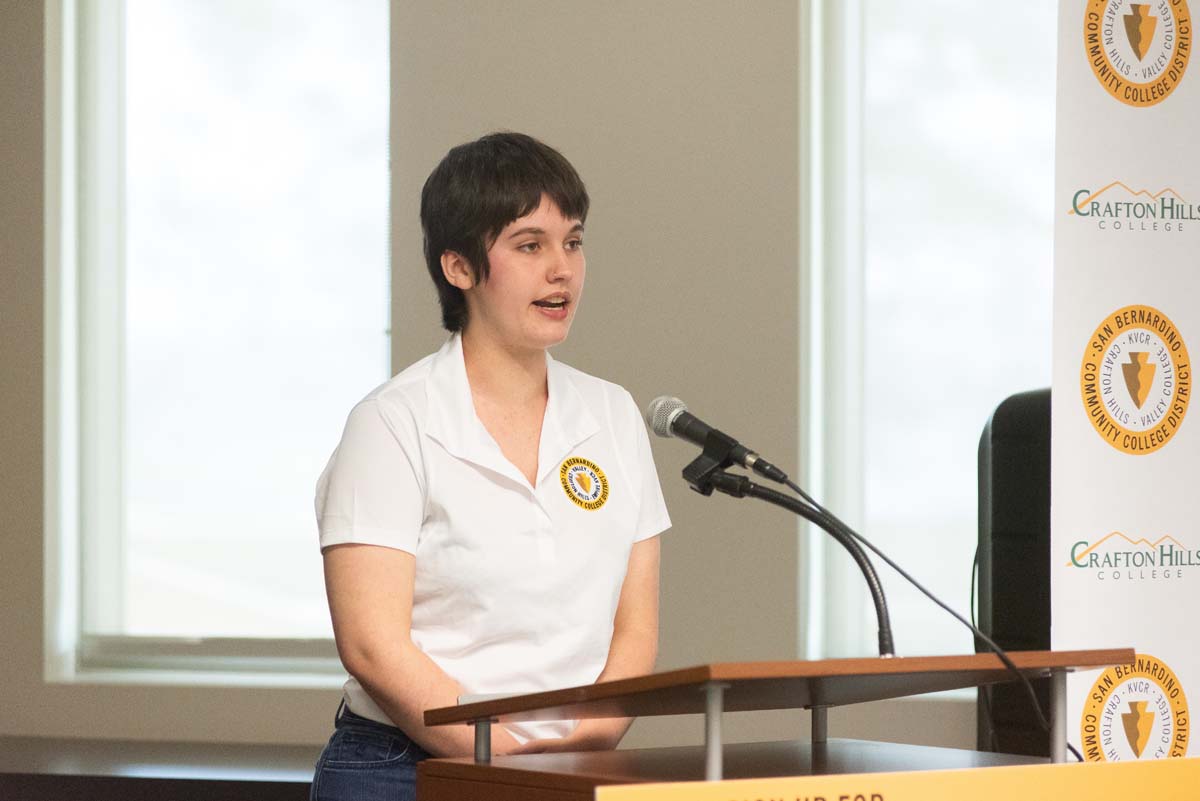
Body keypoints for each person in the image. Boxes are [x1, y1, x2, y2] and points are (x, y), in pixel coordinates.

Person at [309, 132, 671, 801]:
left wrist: (583, 745)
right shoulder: (392, 421)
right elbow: (370, 643)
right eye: (530, 245)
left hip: (575, 765)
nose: (561, 268)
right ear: (459, 267)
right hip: (403, 764)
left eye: (573, 241)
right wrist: (500, 758)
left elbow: (635, 628)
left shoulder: (612, 414)